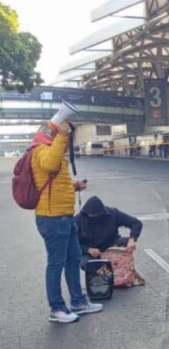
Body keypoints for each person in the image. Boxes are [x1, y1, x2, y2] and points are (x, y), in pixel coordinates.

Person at [31, 121, 103, 323]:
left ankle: (78, 302)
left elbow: (54, 181)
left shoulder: (49, 148)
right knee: (56, 263)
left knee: (73, 259)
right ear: (54, 133)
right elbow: (49, 165)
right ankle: (56, 308)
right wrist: (62, 137)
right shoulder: (41, 148)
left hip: (64, 215)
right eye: (65, 135)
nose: (68, 139)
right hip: (52, 217)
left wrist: (74, 186)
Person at [75, 196, 142, 270]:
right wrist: (87, 249)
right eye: (91, 215)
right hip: (89, 251)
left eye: (97, 215)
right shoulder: (78, 220)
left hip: (111, 246)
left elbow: (136, 223)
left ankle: (122, 270)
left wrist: (132, 239)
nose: (94, 217)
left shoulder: (113, 214)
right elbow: (71, 242)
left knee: (125, 241)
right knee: (86, 264)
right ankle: (100, 277)